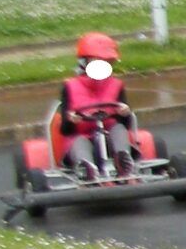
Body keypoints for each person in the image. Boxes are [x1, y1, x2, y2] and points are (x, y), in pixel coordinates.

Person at [56, 31, 137, 180]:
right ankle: (87, 168)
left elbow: (127, 124)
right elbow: (65, 129)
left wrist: (124, 113)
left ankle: (123, 161)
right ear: (84, 62)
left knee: (118, 128)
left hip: (109, 136)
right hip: (82, 135)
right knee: (78, 141)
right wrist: (71, 120)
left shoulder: (116, 85)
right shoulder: (70, 86)